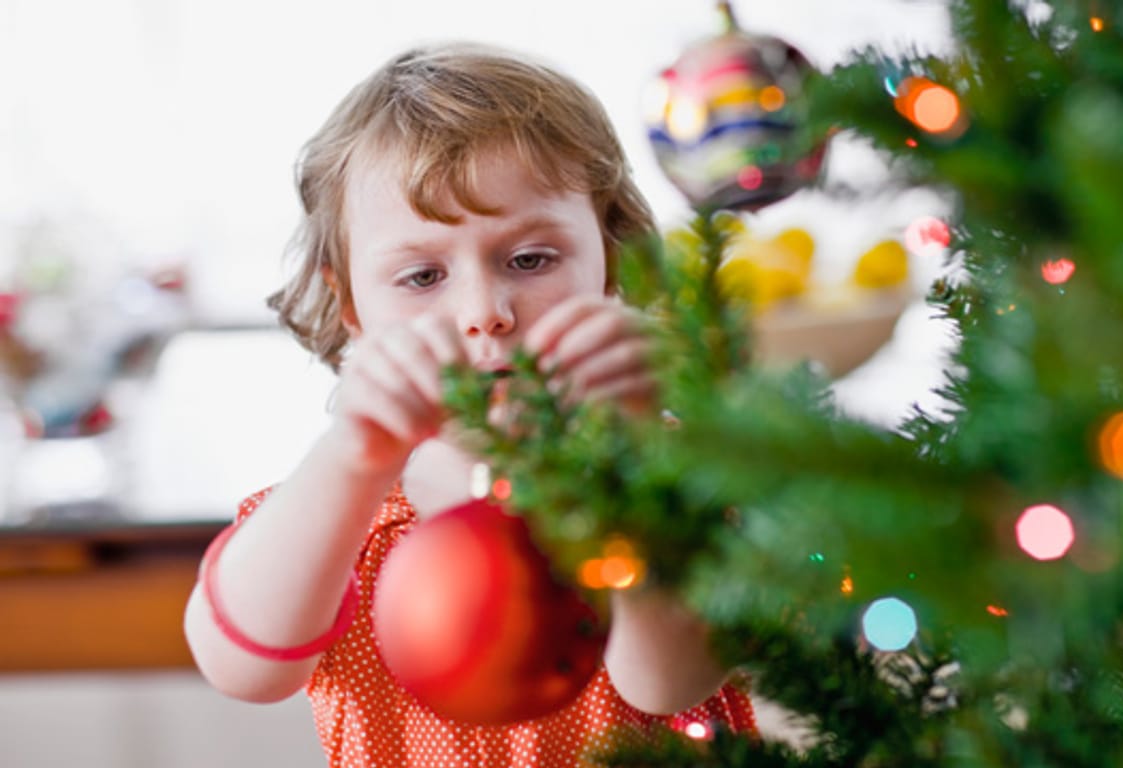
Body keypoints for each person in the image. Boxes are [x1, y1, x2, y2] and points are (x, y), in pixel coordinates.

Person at [183, 42, 755, 767]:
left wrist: (630, 449)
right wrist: (352, 457)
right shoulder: (335, 510)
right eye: (422, 275)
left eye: (529, 260)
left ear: (611, 259)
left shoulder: (681, 473)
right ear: (350, 303)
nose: (484, 311)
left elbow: (669, 683)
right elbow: (246, 670)